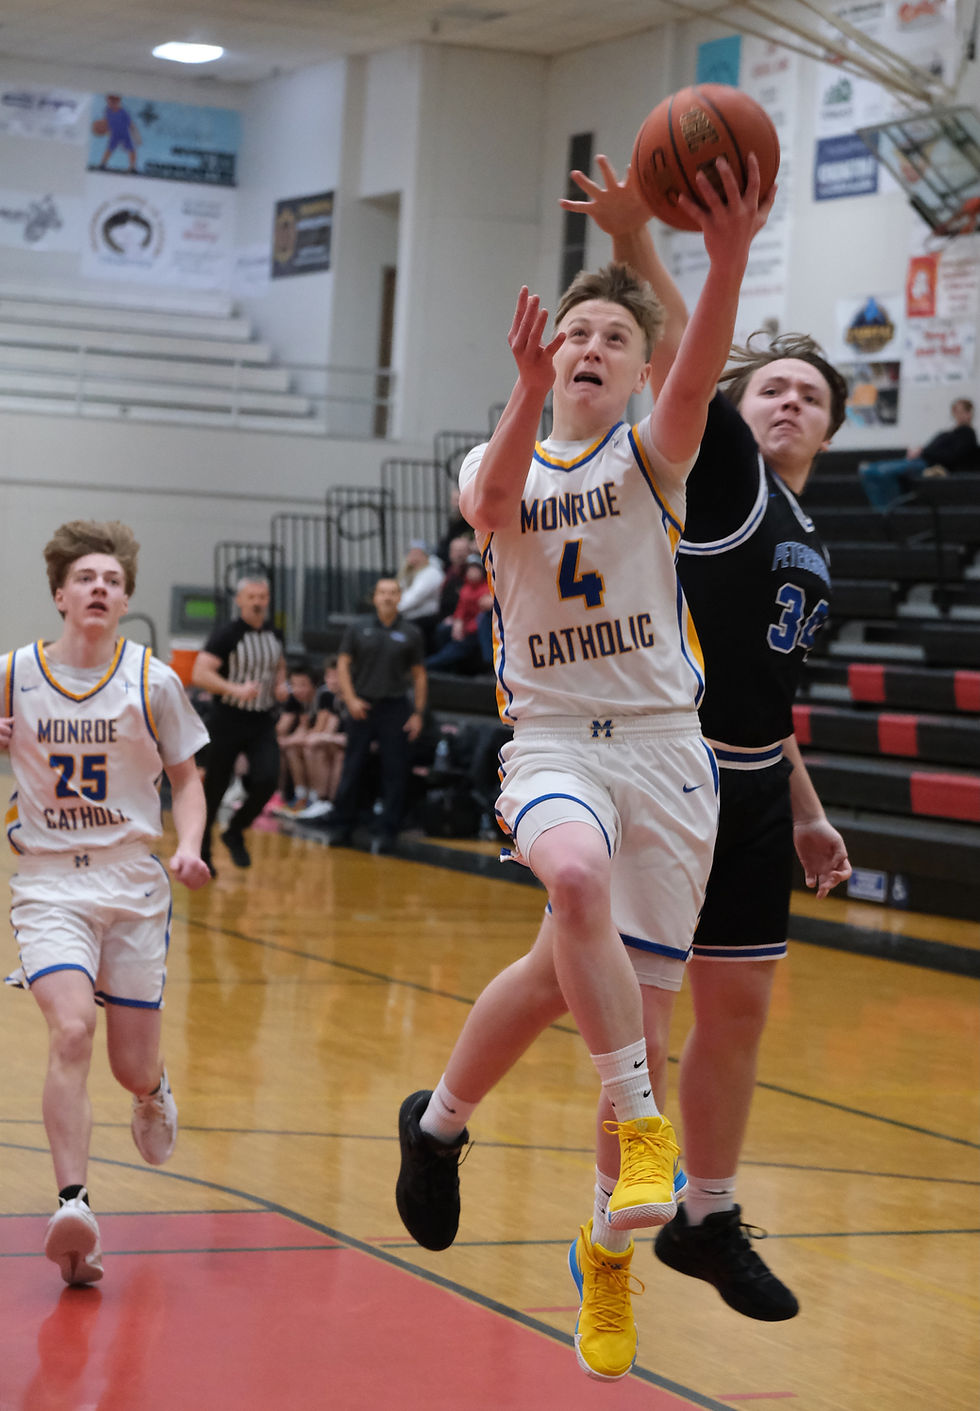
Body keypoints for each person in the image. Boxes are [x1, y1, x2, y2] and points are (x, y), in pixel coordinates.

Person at [395, 156, 852, 1382]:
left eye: (613, 336)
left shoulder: (657, 458)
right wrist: (521, 387)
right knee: (572, 881)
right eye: (576, 331)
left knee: (622, 1004)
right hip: (552, 741)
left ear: (644, 371)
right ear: (550, 353)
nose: (590, 345)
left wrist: (728, 255)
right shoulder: (504, 458)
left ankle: (599, 1252)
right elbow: (492, 499)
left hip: (667, 753)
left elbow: (701, 363)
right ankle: (642, 1127)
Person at [0, 520, 211, 1286]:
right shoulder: (13, 674)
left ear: (124, 601)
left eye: (112, 581)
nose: (99, 587)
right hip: (49, 882)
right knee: (70, 1028)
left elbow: (187, 779)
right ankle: (74, 1205)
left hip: (130, 882)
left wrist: (190, 845)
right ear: (60, 594)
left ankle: (152, 1089)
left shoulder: (152, 682)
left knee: (128, 1065)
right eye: (86, 577)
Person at [191, 576, 287, 874]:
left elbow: (279, 664)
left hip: (261, 720)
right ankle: (202, 853)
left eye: (262, 597)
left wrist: (280, 685)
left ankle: (235, 830)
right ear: (240, 600)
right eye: (252, 597)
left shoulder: (275, 633)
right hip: (227, 718)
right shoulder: (226, 635)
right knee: (215, 788)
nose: (258, 602)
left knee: (268, 779)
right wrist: (234, 689)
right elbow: (200, 674)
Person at [326, 577, 427, 854]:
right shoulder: (358, 628)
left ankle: (387, 831)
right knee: (353, 767)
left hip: (395, 707)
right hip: (362, 705)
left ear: (400, 598)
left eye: (393, 592)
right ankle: (342, 826)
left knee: (394, 770)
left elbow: (419, 675)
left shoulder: (411, 632)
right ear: (374, 598)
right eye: (382, 592)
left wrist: (418, 713)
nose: (387, 597)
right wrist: (350, 699)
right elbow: (343, 665)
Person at [858, 397, 979, 508]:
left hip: (928, 464)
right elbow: (934, 449)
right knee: (870, 472)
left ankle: (891, 510)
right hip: (921, 459)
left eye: (961, 411)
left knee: (880, 471)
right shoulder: (948, 433)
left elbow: (951, 456)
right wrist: (921, 451)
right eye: (956, 411)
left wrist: (923, 452)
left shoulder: (967, 434)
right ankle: (885, 510)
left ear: (969, 413)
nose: (958, 415)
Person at [279, 657, 347, 821]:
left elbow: (323, 732)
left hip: (352, 743)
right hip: (336, 740)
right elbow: (304, 728)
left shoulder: (326, 695)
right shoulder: (315, 699)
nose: (332, 680)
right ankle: (302, 796)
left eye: (336, 676)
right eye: (329, 676)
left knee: (314, 748)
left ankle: (324, 801)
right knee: (293, 748)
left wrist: (292, 739)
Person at [424, 553, 493, 674]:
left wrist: (465, 629)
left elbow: (483, 617)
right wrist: (458, 622)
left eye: (475, 569)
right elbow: (460, 610)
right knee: (443, 629)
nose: (472, 572)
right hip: (465, 626)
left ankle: (428, 664)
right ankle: (445, 666)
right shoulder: (465, 588)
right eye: (470, 569)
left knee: (458, 646)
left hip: (475, 630)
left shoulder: (487, 589)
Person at [397, 541, 445, 648]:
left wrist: (393, 609)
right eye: (410, 553)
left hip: (424, 620)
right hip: (409, 617)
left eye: (417, 553)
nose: (412, 556)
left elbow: (414, 597)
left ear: (425, 556)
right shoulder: (409, 572)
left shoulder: (431, 573)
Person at [95, 94, 141, 173]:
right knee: (109, 148)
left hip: (124, 134)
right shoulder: (107, 111)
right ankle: (102, 164)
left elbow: (131, 125)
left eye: (114, 102)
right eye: (110, 102)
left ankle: (133, 167)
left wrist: (136, 136)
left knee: (131, 149)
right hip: (114, 134)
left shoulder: (123, 112)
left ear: (118, 102)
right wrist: (107, 131)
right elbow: (107, 122)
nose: (112, 104)